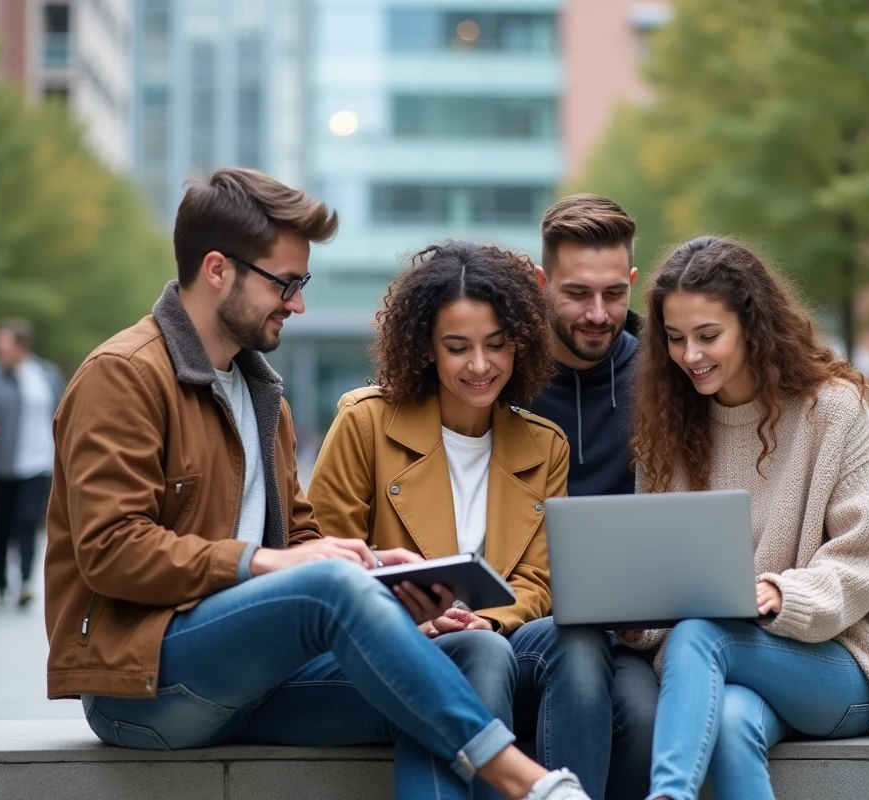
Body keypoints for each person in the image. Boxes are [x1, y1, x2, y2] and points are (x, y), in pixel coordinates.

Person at [44, 167, 590, 800]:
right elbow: (111, 550)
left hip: (263, 682)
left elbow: (304, 541)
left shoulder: (262, 396)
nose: (297, 303)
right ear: (218, 269)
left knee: (474, 655)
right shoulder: (124, 375)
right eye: (286, 282)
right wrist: (271, 564)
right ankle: (526, 781)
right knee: (329, 583)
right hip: (145, 688)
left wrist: (383, 581)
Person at [620, 237, 869, 800]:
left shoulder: (832, 409)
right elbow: (662, 575)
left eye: (708, 335)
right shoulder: (666, 430)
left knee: (700, 635)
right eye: (675, 338)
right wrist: (638, 624)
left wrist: (783, 593)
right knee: (729, 722)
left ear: (752, 326)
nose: (690, 354)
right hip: (727, 669)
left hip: (841, 663)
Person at [309, 241, 617, 799]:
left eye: (496, 345)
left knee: (576, 639)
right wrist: (420, 621)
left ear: (520, 343)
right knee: (481, 654)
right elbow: (325, 559)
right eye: (458, 347)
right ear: (427, 348)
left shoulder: (544, 444)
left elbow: (538, 580)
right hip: (391, 644)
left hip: (496, 636)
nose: (480, 365)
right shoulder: (365, 423)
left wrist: (486, 621)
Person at [528, 194, 657, 799]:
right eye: (577, 293)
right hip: (524, 622)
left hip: (632, 633)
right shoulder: (498, 374)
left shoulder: (667, 375)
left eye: (614, 293)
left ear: (633, 281)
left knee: (646, 722)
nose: (598, 314)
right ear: (542, 283)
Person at [0, 318, 64, 607]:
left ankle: (25, 583)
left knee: (27, 521)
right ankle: (0, 582)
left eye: (3, 346)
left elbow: (64, 409)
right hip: (2, 465)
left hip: (38, 463)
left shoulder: (46, 375)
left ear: (22, 347)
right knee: (1, 526)